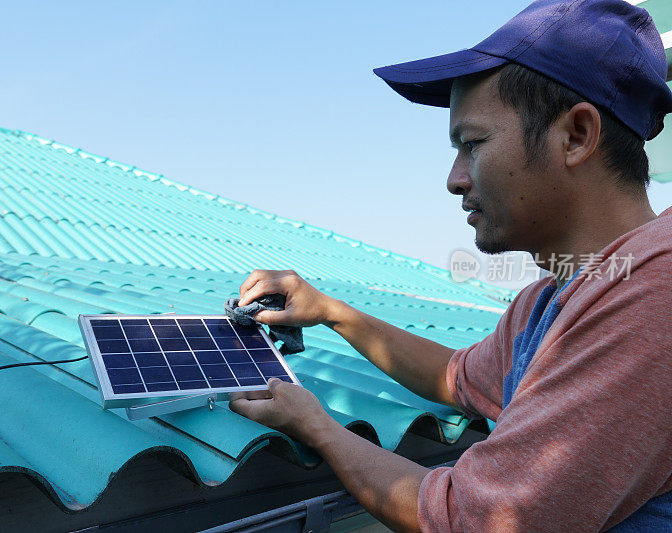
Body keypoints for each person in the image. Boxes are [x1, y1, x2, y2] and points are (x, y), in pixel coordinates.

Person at [228, 1, 672, 531]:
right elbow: (456, 378)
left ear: (576, 135)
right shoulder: (555, 296)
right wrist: (331, 312)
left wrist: (318, 428)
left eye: (473, 143)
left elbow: (474, 520)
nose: (455, 179)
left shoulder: (653, 294)